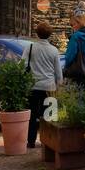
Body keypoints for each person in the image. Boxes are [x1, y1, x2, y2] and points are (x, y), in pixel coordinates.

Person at [26, 22, 63, 150]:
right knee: (50, 116)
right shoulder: (53, 50)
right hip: (49, 87)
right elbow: (58, 72)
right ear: (50, 35)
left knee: (32, 116)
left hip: (34, 86)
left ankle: (31, 141)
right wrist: (59, 85)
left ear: (37, 34)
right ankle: (49, 142)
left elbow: (22, 64)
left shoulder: (30, 48)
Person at [62, 13, 85, 89]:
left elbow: (69, 56)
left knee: (78, 96)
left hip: (79, 72)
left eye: (73, 25)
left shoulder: (75, 37)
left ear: (80, 23)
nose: (72, 27)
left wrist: (64, 67)